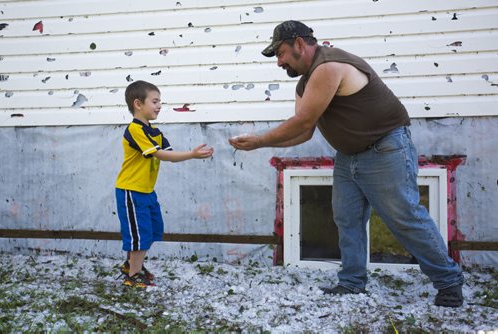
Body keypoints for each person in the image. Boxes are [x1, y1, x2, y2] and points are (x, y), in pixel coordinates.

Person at [229, 20, 464, 307]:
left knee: (405, 217)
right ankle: (352, 283)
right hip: (348, 156)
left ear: (299, 44)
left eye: (280, 53)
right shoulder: (305, 84)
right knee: (347, 218)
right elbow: (304, 132)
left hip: (385, 148)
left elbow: (301, 122)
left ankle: (449, 281)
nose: (278, 62)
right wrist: (261, 143)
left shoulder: (330, 66)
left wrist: (259, 141)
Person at [115, 80, 214, 288]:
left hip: (147, 190)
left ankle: (132, 264)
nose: (159, 106)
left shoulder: (155, 132)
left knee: (151, 229)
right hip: (131, 190)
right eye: (155, 101)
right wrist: (192, 155)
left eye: (160, 101)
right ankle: (133, 275)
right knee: (139, 233)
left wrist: (192, 155)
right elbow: (159, 154)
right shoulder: (134, 129)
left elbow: (168, 153)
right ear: (138, 104)